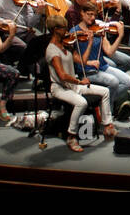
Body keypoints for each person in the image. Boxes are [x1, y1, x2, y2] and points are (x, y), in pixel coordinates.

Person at [45, 15, 115, 151]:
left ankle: (108, 126)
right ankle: (71, 136)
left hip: (74, 85)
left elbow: (82, 60)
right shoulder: (52, 50)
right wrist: (80, 81)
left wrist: (89, 43)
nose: (67, 30)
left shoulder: (66, 44)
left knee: (105, 91)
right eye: (63, 27)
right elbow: (62, 75)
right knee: (81, 102)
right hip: (60, 88)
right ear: (55, 29)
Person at [70, 3, 130, 114]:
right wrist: (89, 62)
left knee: (128, 82)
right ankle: (107, 111)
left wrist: (120, 36)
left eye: (94, 15)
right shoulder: (74, 32)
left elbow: (109, 51)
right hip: (87, 70)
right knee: (113, 82)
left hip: (102, 67)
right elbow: (73, 56)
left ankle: (103, 103)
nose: (92, 18)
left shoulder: (98, 30)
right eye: (89, 14)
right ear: (82, 13)